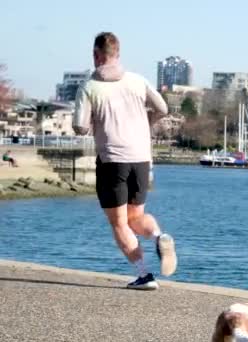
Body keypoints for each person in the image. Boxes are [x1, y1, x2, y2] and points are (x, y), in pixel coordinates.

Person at [73, 32, 177, 290]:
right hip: (141, 158)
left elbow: (79, 126)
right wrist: (146, 124)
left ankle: (145, 275)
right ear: (118, 53)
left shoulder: (89, 86)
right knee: (135, 217)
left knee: (119, 222)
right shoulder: (137, 81)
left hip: (112, 161)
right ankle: (159, 235)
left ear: (96, 55)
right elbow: (163, 109)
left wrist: (93, 124)